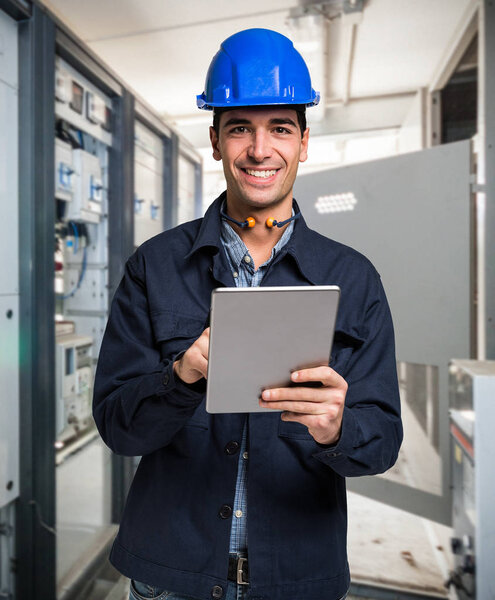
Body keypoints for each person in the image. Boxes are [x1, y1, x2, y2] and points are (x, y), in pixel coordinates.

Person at [93, 28, 403, 600]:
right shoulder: (155, 266)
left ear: (304, 142)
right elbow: (117, 426)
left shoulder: (354, 280)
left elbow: (382, 442)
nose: (260, 150)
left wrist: (337, 427)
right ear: (215, 140)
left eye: (280, 128)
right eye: (240, 128)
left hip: (296, 577)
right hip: (170, 575)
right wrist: (180, 376)